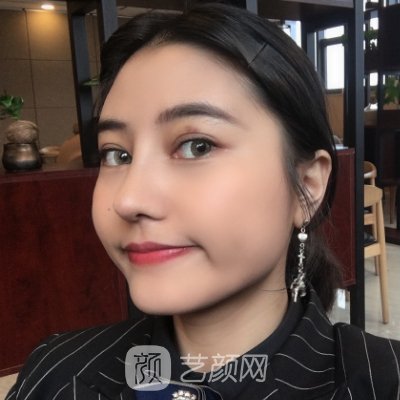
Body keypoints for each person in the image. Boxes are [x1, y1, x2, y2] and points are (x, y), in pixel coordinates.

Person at [6, 3, 400, 400]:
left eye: (197, 146)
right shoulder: (55, 376)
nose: (128, 199)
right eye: (117, 154)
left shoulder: (385, 382)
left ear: (307, 185)